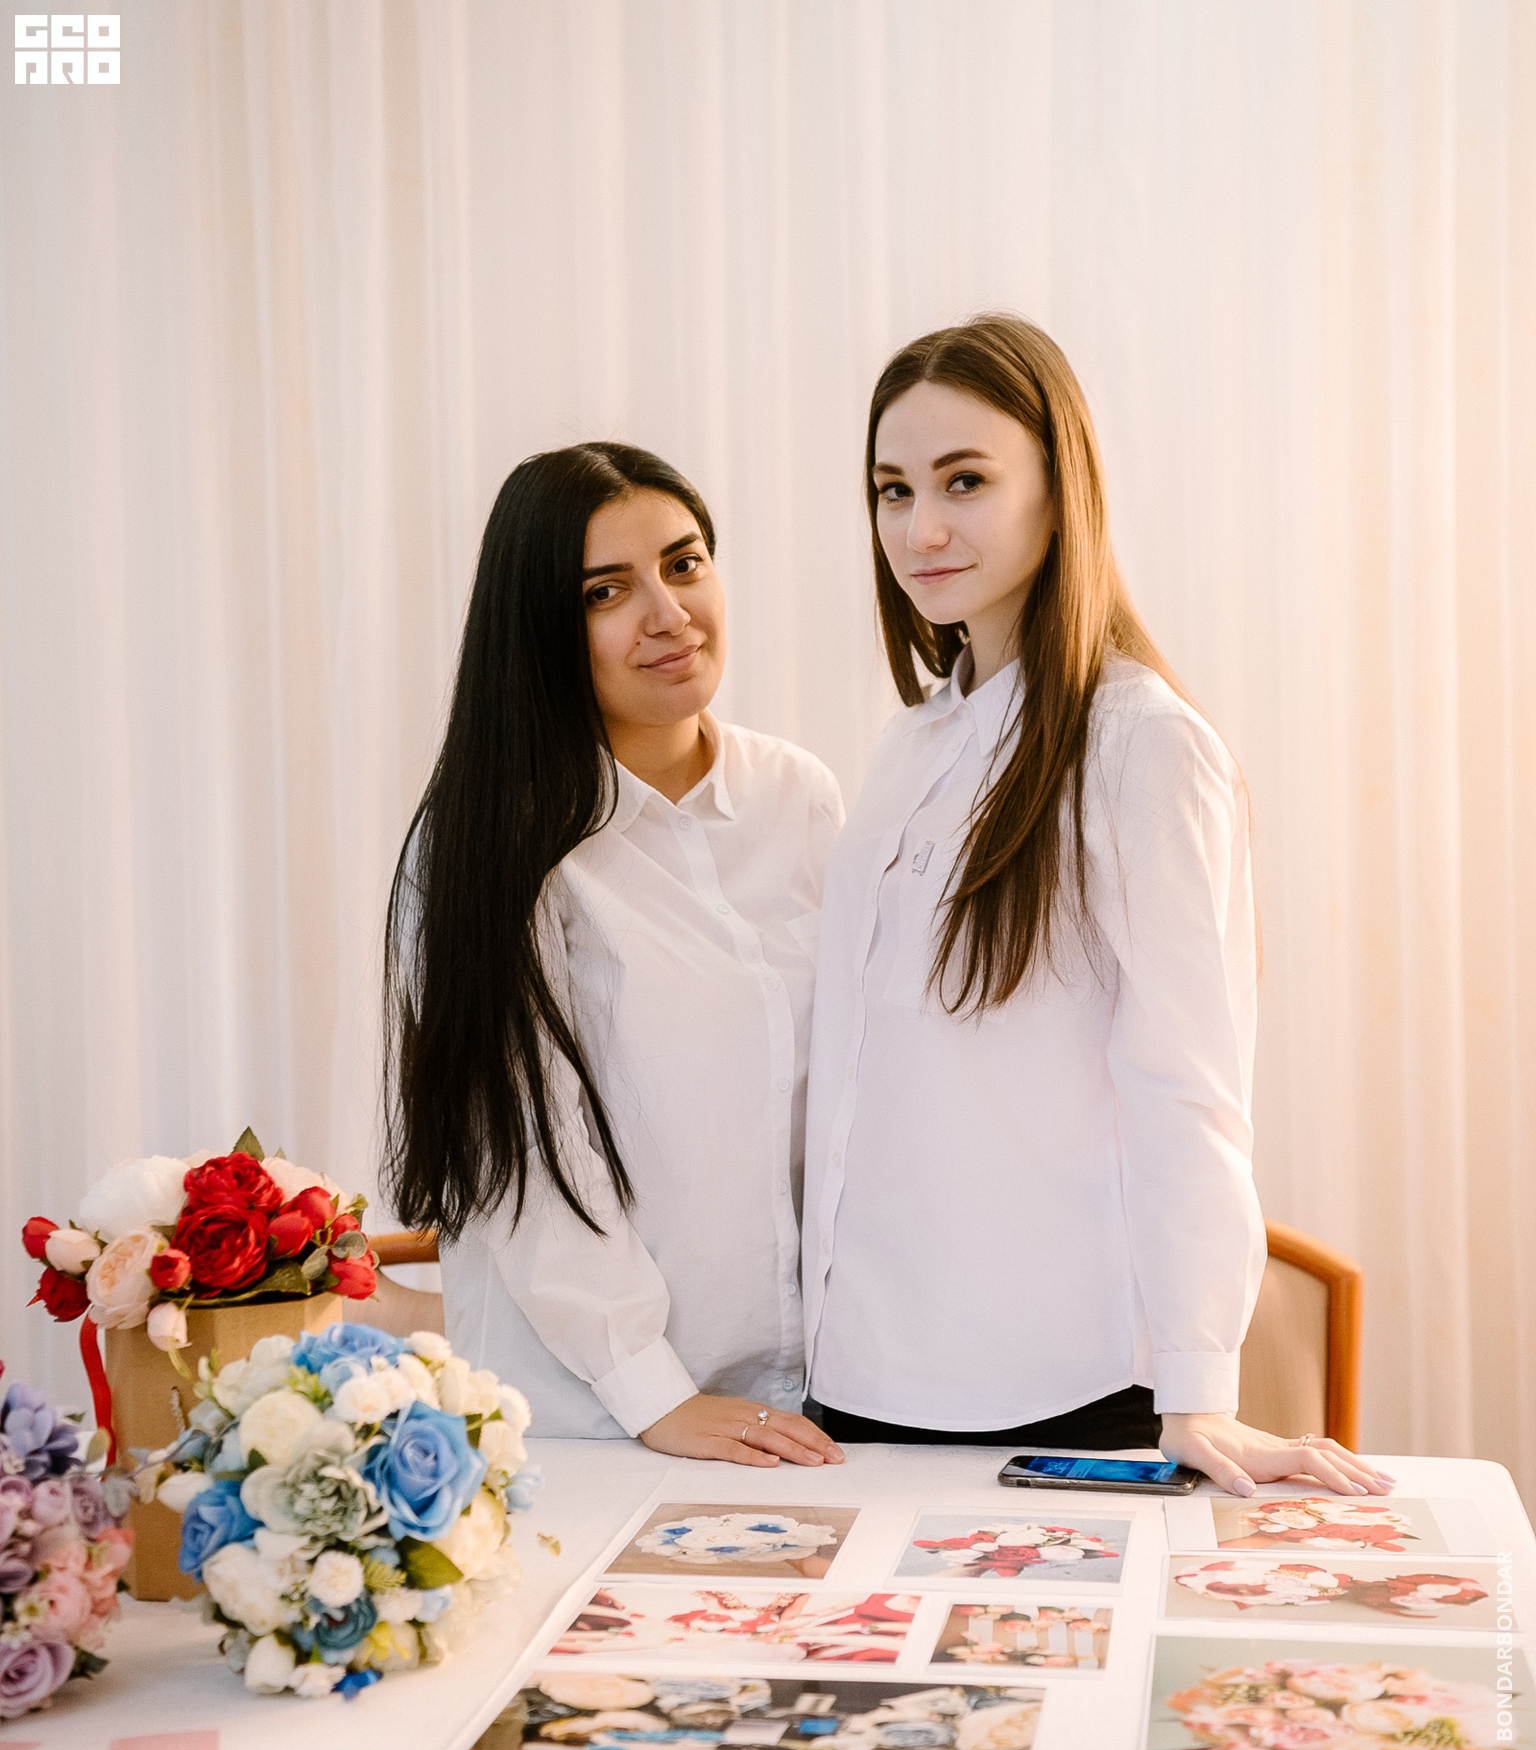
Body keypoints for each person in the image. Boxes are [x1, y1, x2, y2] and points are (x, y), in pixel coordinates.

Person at [801, 315, 1391, 1499]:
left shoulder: (1143, 747)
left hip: (1057, 1389)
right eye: (892, 489)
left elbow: (1188, 1085)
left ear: (1059, 489)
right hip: (853, 1378)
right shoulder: (908, 748)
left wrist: (1199, 1390)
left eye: (965, 481)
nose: (920, 529)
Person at [384, 443, 843, 1467]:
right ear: (538, 628)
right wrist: (653, 1393)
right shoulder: (483, 847)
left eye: (684, 564)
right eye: (606, 591)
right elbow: (516, 1162)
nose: (668, 614)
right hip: (595, 1420)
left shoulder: (800, 799)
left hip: (808, 1404)